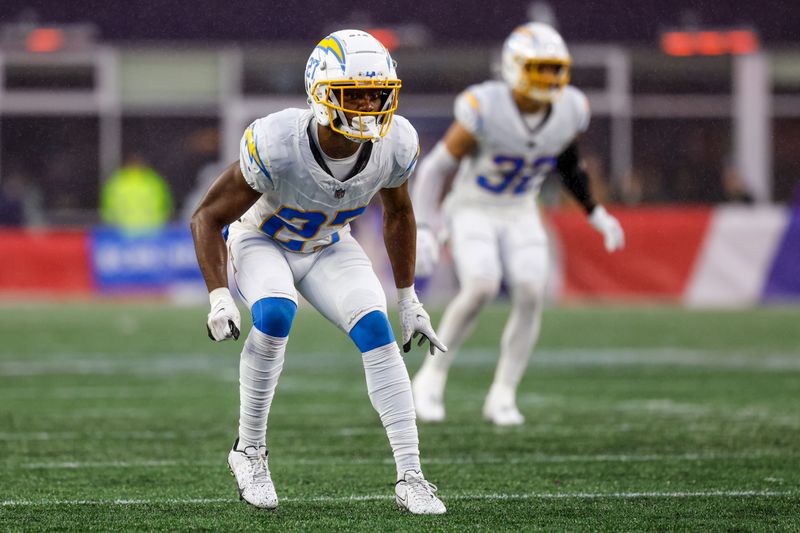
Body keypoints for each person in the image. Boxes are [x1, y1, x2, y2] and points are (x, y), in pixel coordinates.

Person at [191, 29, 447, 514]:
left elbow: (399, 213)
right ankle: (248, 450)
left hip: (329, 244)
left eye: (379, 94)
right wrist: (219, 295)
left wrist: (409, 297)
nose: (371, 106)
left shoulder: (396, 143)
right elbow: (207, 216)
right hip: (263, 238)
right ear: (323, 94)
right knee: (276, 313)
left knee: (377, 329)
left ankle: (412, 476)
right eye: (357, 94)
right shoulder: (278, 141)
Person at [410, 22, 625, 426]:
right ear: (513, 67)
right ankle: (431, 378)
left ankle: (503, 394)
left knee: (530, 291)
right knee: (481, 287)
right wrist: (423, 227)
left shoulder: (569, 109)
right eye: (538, 68)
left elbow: (568, 166)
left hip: (521, 209)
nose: (547, 78)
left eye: (553, 69)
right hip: (473, 206)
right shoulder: (486, 107)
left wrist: (596, 212)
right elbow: (435, 168)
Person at [100, 154, 173, 233]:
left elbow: (107, 210)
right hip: (149, 231)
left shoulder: (117, 181)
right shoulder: (154, 181)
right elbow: (166, 206)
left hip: (125, 231)